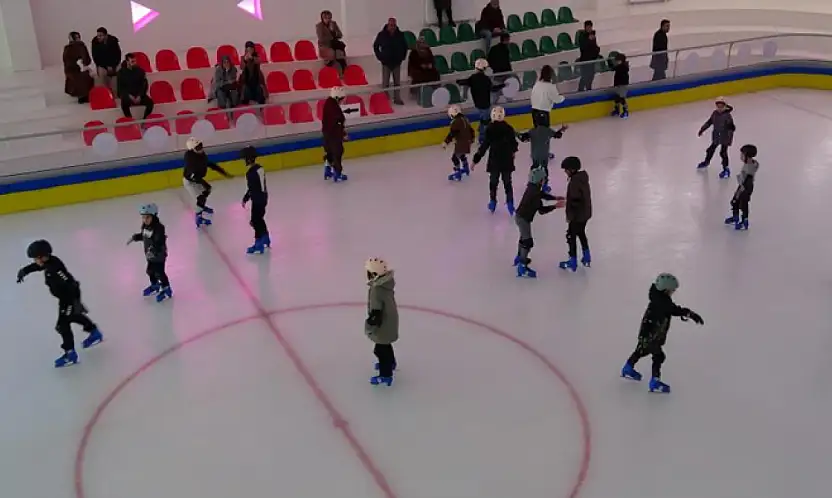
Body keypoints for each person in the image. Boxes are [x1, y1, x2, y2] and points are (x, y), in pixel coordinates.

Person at [16, 240, 103, 368]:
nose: (35, 261)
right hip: (65, 298)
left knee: (62, 325)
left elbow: (69, 283)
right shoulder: (49, 262)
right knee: (73, 316)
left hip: (68, 298)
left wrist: (75, 302)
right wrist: (25, 271)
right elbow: (38, 267)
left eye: (36, 258)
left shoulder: (54, 268)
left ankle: (70, 353)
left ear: (42, 257)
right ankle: (94, 332)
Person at [621, 273, 704, 394]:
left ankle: (628, 367)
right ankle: (655, 381)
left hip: (646, 332)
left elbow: (670, 309)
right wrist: (690, 314)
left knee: (640, 350)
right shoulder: (663, 302)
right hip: (652, 336)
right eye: (672, 290)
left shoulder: (657, 297)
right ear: (665, 290)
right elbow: (674, 310)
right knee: (658, 356)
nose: (673, 292)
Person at [513, 167, 564, 278]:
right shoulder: (535, 193)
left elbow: (542, 195)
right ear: (540, 180)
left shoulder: (532, 188)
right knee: (527, 242)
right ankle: (522, 266)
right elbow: (541, 210)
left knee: (523, 238)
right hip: (523, 219)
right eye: (544, 178)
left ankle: (519, 257)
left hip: (521, 217)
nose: (545, 180)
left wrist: (555, 197)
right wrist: (555, 206)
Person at [473, 106, 518, 214]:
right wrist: (513, 152)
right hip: (507, 161)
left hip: (495, 162)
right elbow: (514, 144)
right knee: (507, 183)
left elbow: (484, 146)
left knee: (493, 183)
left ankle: (493, 202)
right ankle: (510, 203)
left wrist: (475, 160)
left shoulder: (489, 129)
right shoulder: (509, 128)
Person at [183, 137, 232, 227]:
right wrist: (205, 185)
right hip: (190, 182)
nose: (201, 149)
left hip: (197, 179)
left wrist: (223, 172)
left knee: (206, 192)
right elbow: (194, 176)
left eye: (201, 146)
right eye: (198, 148)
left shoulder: (201, 155)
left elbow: (210, 164)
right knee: (201, 197)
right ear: (193, 150)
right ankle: (198, 217)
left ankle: (201, 206)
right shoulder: (191, 161)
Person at [128, 203, 172, 303]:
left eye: (147, 217)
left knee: (159, 272)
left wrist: (153, 250)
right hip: (150, 255)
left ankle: (166, 288)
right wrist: (135, 237)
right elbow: (144, 236)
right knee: (150, 271)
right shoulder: (145, 226)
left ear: (154, 216)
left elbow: (159, 241)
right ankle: (155, 285)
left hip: (159, 255)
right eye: (143, 217)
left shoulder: (159, 228)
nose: (145, 220)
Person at [365, 258, 398, 386]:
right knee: (385, 344)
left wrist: (369, 327)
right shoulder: (385, 284)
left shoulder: (377, 290)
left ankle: (386, 375)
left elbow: (376, 314)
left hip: (383, 324)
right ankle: (391, 363)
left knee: (380, 350)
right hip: (390, 321)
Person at [457, 58, 505, 145]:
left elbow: (465, 82)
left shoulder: (473, 78)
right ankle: (482, 138)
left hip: (477, 103)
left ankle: (481, 131)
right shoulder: (485, 79)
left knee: (484, 119)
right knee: (485, 121)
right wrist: (503, 85)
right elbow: (493, 89)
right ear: (485, 68)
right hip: (485, 103)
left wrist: (458, 81)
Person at [557, 156, 592, 271]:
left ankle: (572, 261)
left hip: (577, 216)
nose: (565, 172)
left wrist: (570, 216)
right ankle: (586, 256)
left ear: (572, 169)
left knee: (571, 236)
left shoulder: (574, 182)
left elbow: (575, 201)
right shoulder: (582, 178)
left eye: (566, 169)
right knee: (581, 233)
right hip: (585, 214)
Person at [517, 122, 568, 192]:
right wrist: (562, 129)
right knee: (544, 169)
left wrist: (516, 134)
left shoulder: (532, 131)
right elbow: (557, 135)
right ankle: (545, 185)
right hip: (544, 155)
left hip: (535, 155)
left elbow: (524, 138)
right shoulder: (547, 130)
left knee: (534, 168)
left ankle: (531, 184)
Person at [241, 146, 271, 253]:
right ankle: (265, 237)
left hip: (257, 199)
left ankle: (258, 243)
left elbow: (252, 188)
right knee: (259, 219)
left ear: (248, 159)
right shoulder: (260, 168)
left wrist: (246, 197)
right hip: (263, 197)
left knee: (255, 221)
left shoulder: (250, 173)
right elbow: (260, 186)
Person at [373, 18, 408, 106]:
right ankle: (385, 99)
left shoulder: (400, 34)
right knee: (385, 83)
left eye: (394, 25)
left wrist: (402, 57)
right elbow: (376, 46)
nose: (392, 27)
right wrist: (380, 57)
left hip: (397, 62)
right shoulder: (381, 35)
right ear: (388, 25)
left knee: (397, 83)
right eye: (391, 25)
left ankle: (397, 98)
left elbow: (405, 46)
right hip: (386, 62)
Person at [697, 96, 735, 177]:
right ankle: (706, 162)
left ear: (725, 106)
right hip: (716, 136)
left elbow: (731, 128)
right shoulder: (715, 114)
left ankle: (726, 169)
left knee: (723, 153)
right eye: (718, 106)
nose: (719, 108)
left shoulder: (727, 116)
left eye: (721, 106)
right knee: (710, 150)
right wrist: (702, 129)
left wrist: (729, 140)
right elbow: (709, 122)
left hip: (725, 137)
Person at [724, 144, 758, 231]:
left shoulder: (748, 168)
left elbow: (745, 182)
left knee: (740, 203)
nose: (741, 156)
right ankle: (737, 217)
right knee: (738, 202)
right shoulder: (753, 163)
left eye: (742, 155)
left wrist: (738, 192)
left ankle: (743, 221)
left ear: (747, 156)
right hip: (746, 186)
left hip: (744, 187)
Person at [322, 86, 349, 182]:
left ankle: (327, 170)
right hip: (334, 134)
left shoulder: (328, 103)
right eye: (341, 99)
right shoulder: (334, 108)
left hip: (326, 132)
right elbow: (338, 123)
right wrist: (343, 134)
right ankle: (337, 173)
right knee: (338, 152)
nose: (342, 101)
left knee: (329, 151)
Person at [443, 104, 475, 181]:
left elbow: (452, 134)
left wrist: (446, 142)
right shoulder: (465, 119)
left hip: (462, 142)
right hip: (467, 141)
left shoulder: (455, 122)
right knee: (461, 154)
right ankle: (466, 167)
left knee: (454, 158)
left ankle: (457, 172)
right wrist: (472, 138)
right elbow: (471, 130)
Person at [117, 53, 154, 120]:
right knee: (124, 104)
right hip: (128, 96)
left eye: (135, 61)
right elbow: (120, 88)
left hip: (139, 95)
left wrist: (139, 95)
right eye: (132, 61)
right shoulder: (121, 73)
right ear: (127, 62)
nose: (135, 63)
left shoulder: (141, 71)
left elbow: (144, 85)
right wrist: (129, 96)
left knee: (150, 103)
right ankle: (130, 120)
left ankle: (144, 120)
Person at [63, 32, 94, 104]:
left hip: (79, 68)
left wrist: (83, 64)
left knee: (84, 76)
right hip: (72, 69)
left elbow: (87, 59)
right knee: (78, 77)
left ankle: (84, 95)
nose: (77, 39)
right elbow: (66, 60)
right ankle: (82, 95)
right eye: (76, 37)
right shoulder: (68, 48)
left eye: (78, 37)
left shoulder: (81, 46)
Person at [610, 52, 630, 119]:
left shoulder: (622, 67)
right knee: (617, 98)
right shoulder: (619, 67)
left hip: (622, 85)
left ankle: (625, 111)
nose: (616, 62)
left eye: (617, 60)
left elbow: (614, 69)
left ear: (621, 60)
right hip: (618, 85)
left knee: (622, 98)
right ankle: (617, 110)